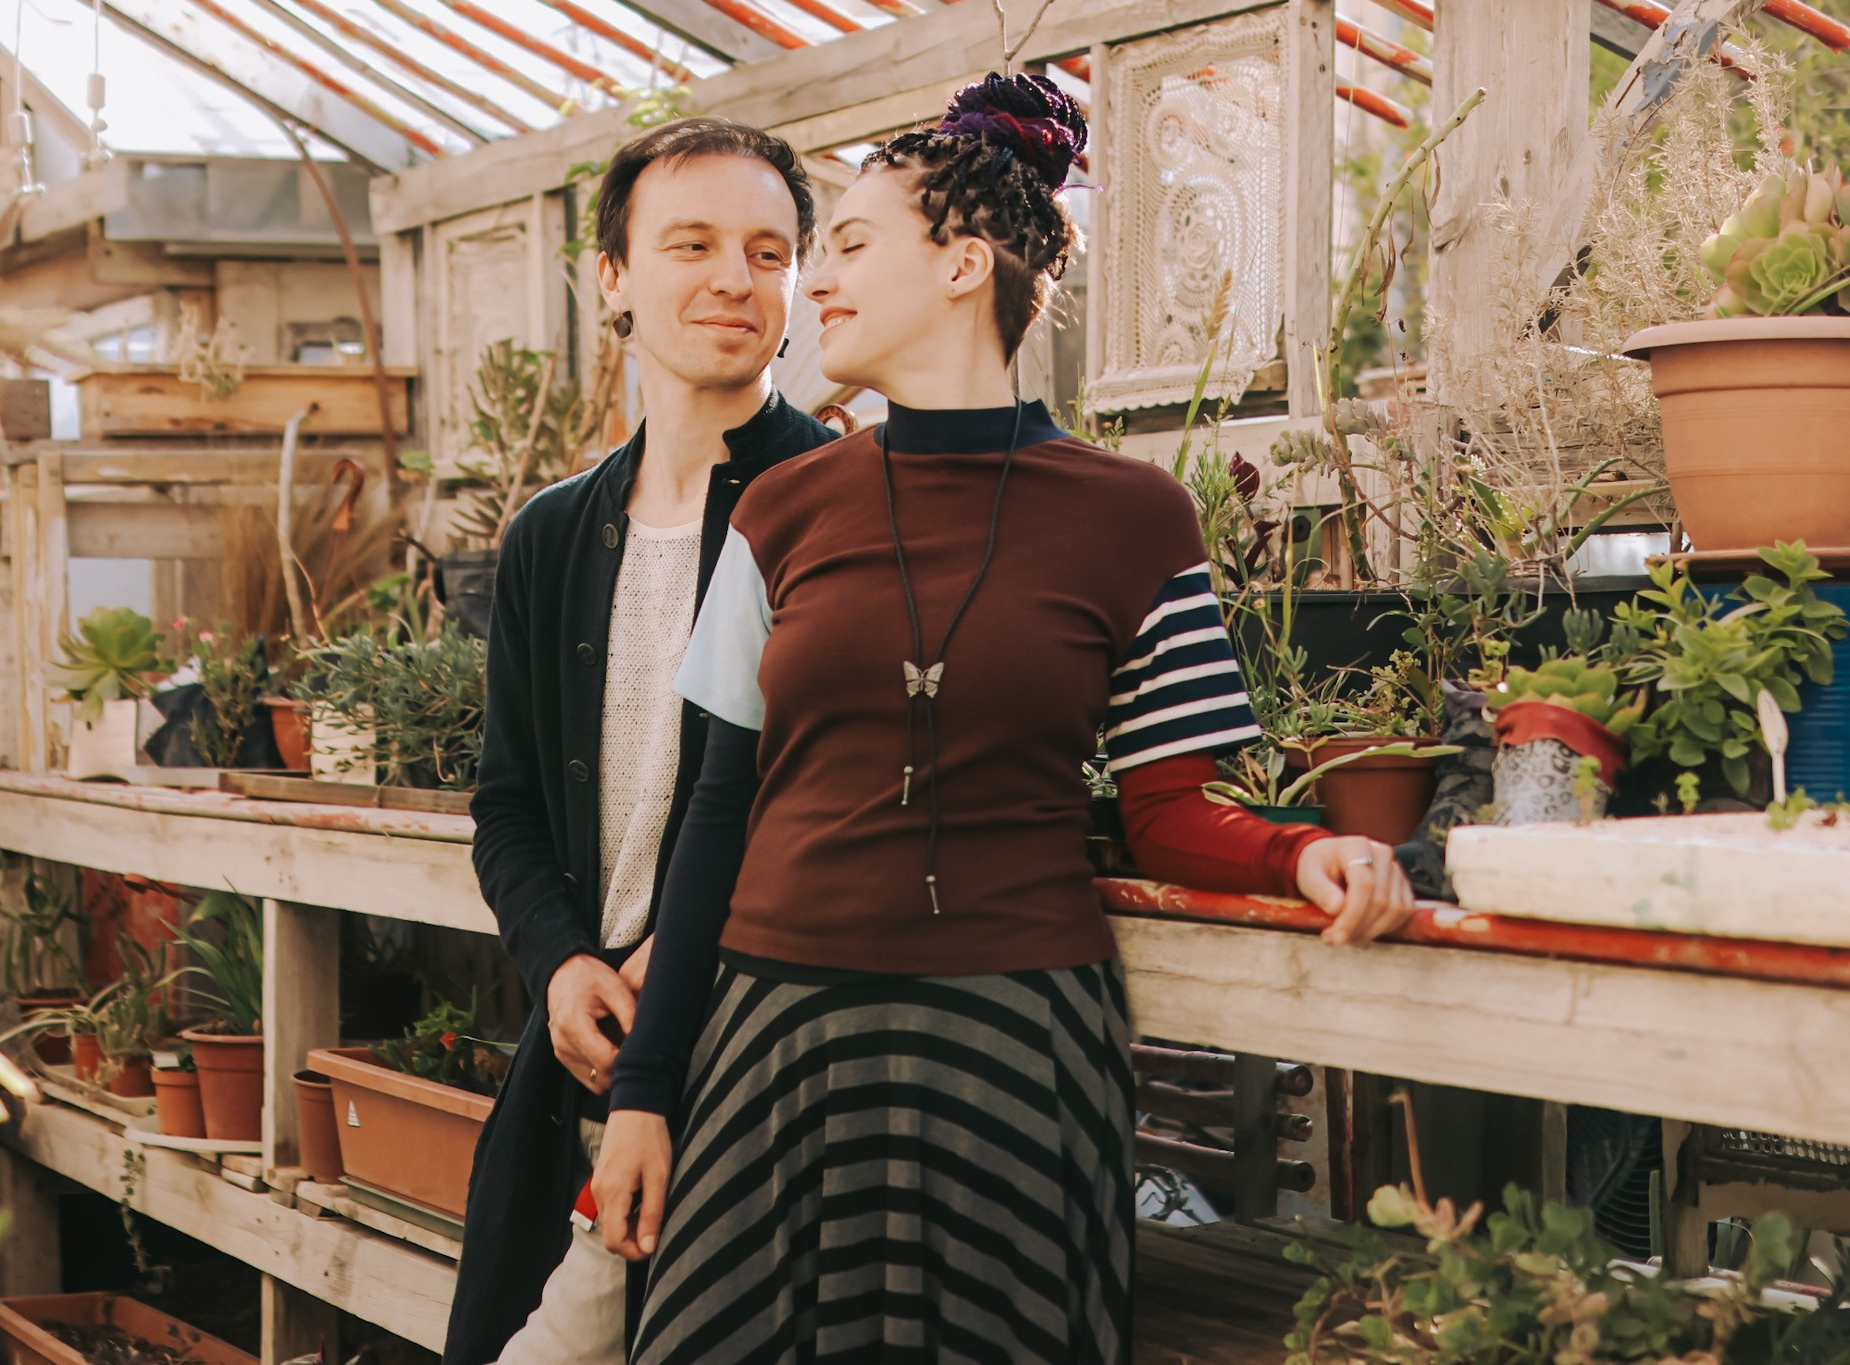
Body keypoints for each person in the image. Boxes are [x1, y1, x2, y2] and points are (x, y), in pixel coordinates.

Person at [590, 73, 1417, 1364]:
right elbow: (718, 812)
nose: (815, 284)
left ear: (966, 262)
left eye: (850, 247)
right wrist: (647, 1091)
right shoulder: (779, 512)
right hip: (775, 1039)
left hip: (1015, 1047)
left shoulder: (1137, 516)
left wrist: (1298, 849)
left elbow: (1167, 807)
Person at [441, 117, 836, 1365]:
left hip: (754, 1054)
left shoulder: (840, 503)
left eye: (767, 251)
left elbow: (828, 798)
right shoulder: (551, 537)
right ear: (611, 276)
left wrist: (679, 960)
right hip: (581, 1047)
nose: (735, 276)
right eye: (693, 243)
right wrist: (561, 965)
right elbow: (504, 806)